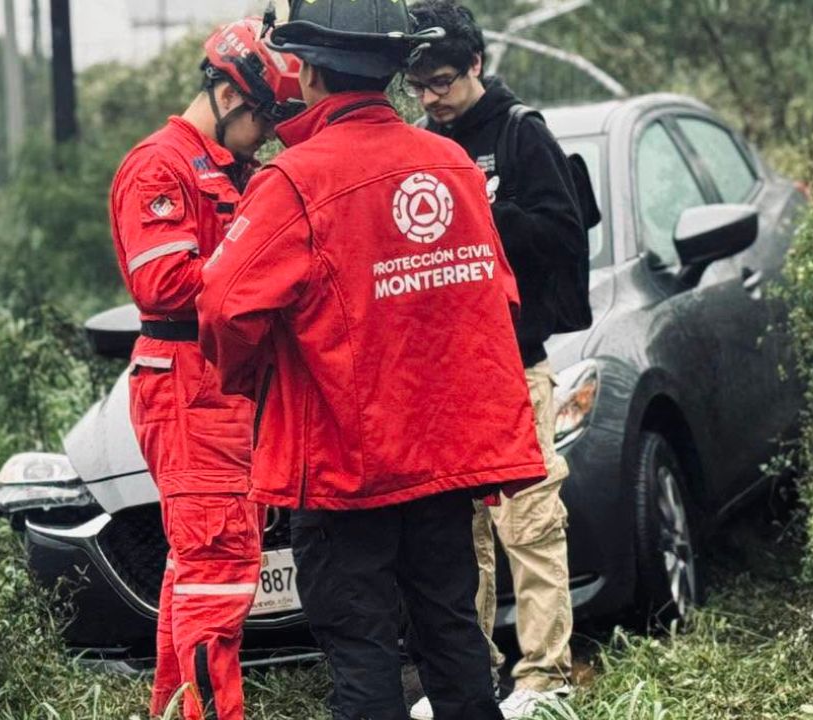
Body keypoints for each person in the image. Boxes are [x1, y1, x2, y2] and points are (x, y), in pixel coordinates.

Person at [196, 2, 548, 718]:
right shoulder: (451, 164)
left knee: (361, 650)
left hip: (342, 469)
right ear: (395, 70)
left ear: (310, 70)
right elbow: (500, 302)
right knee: (452, 636)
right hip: (442, 462)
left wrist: (264, 375)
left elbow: (222, 309)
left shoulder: (294, 182)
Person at [107, 18, 301, 720]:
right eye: (264, 118)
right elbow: (161, 286)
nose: (268, 134)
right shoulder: (159, 166)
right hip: (188, 384)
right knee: (218, 571)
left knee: (197, 573)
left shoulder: (231, 169)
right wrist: (256, 272)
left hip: (222, 383)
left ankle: (173, 710)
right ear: (227, 94)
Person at [403, 2, 590, 718]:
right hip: (444, 370)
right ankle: (467, 680)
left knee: (531, 519)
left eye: (443, 82)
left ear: (476, 65)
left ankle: (545, 679)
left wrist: (485, 211)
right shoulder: (421, 141)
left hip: (515, 361)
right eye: (418, 87)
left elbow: (562, 236)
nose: (432, 99)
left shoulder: (520, 133)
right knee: (459, 532)